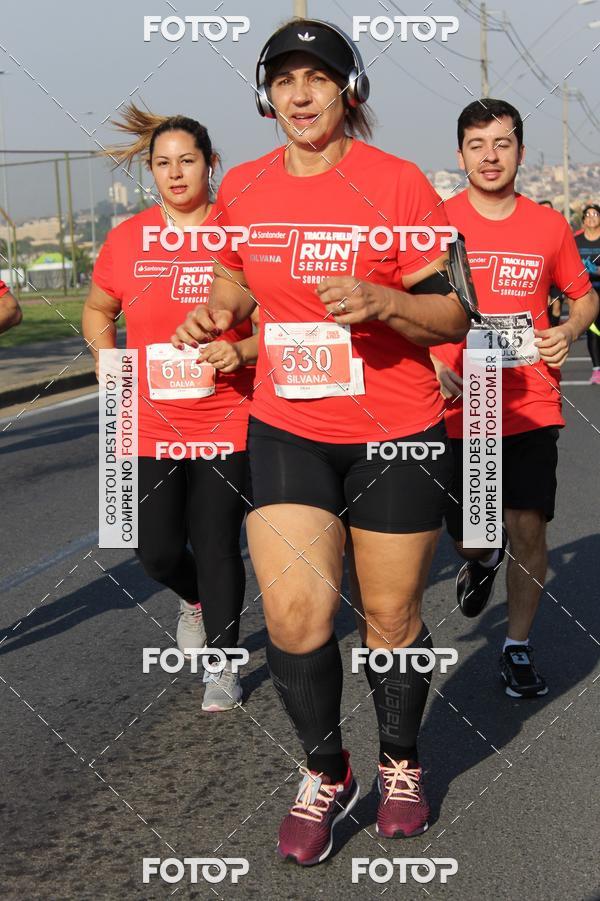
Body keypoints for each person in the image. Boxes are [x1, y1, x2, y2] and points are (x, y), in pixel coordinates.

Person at [173, 19, 471, 865]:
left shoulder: (401, 184)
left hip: (395, 428)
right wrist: (218, 310)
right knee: (297, 615)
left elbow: (454, 312)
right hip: (288, 425)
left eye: (318, 78)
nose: (301, 94)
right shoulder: (247, 187)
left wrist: (384, 303)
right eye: (285, 80)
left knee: (389, 613)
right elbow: (235, 275)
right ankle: (326, 767)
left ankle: (402, 762)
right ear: (265, 95)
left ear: (350, 89)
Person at [82, 104, 258, 711]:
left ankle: (223, 665)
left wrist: (242, 353)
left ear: (212, 165)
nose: (176, 173)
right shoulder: (128, 239)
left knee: (216, 543)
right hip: (149, 421)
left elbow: (270, 310)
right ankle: (195, 598)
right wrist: (112, 367)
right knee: (155, 552)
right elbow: (98, 312)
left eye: (188, 161)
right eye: (163, 164)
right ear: (151, 173)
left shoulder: (239, 236)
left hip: (227, 415)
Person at [431, 99, 598, 698]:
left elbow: (583, 296)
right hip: (460, 408)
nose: (491, 156)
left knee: (529, 526)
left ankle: (517, 646)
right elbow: (400, 308)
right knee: (473, 536)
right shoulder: (435, 222)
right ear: (460, 155)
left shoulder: (548, 226)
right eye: (477, 145)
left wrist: (568, 330)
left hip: (530, 402)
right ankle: (479, 561)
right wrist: (431, 357)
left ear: (521, 152)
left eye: (502, 144)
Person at [574, 203, 600, 383]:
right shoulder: (576, 240)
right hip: (586, 291)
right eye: (588, 215)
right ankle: (597, 369)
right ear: (583, 220)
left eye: (595, 214)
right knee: (593, 330)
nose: (591, 217)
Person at [538, 201, 564, 327]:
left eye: (549, 209)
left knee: (557, 306)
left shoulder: (558, 229)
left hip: (555, 277)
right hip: (539, 277)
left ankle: (554, 329)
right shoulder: (532, 231)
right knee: (544, 306)